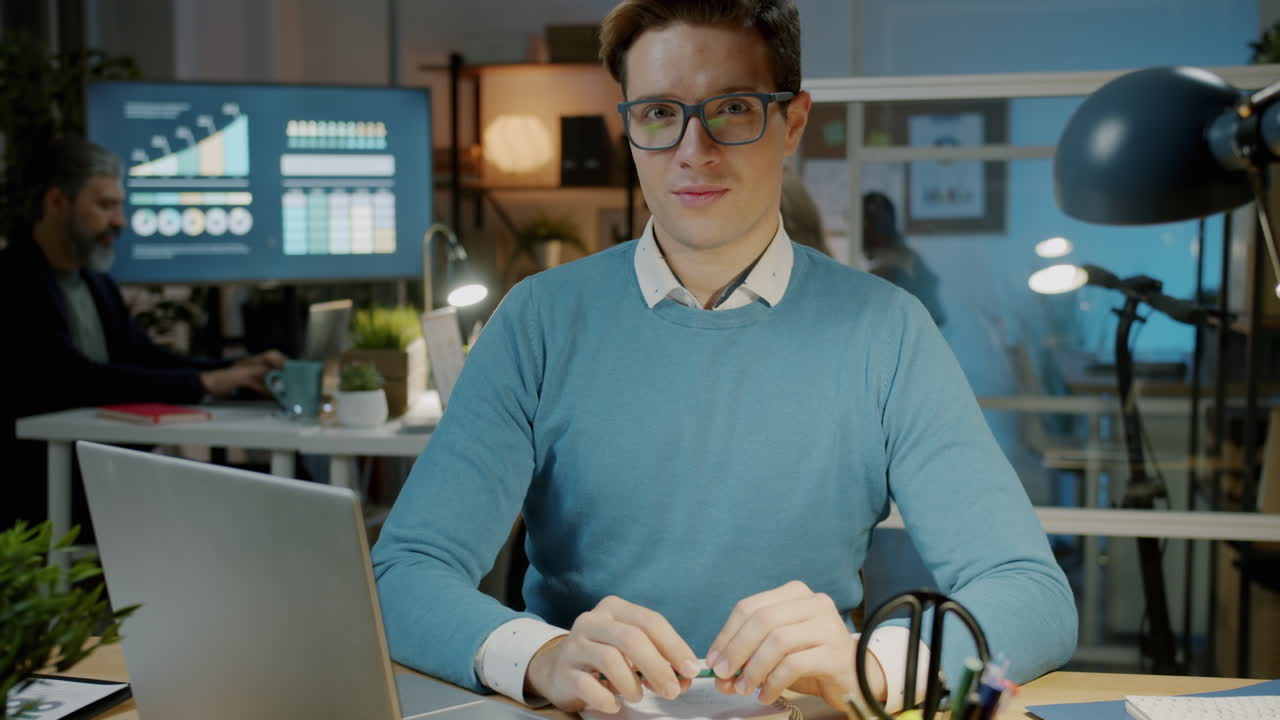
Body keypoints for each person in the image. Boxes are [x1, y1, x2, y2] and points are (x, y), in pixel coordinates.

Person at [372, 1, 1075, 716]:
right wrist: (540, 655)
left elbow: (1030, 593)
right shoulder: (538, 319)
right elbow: (403, 573)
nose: (692, 149)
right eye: (657, 113)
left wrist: (875, 665)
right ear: (628, 125)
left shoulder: (887, 329)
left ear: (792, 121)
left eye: (732, 108)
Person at [0, 138, 284, 531]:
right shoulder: (15, 281)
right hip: (40, 486)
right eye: (105, 205)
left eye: (120, 206)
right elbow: (73, 378)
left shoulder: (96, 283)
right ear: (56, 203)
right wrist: (206, 381)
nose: (120, 221)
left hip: (98, 471)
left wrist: (236, 369)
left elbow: (143, 356)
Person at [861, 191, 947, 328]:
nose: (860, 235)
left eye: (861, 227)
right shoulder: (911, 257)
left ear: (871, 227)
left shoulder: (887, 271)